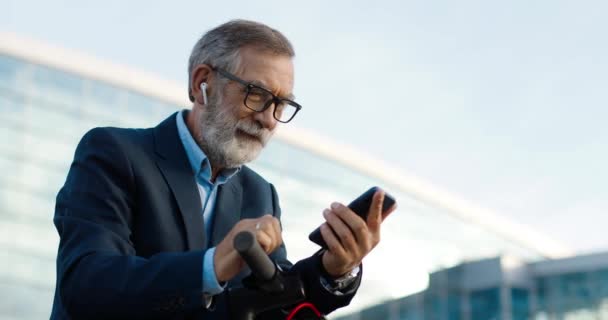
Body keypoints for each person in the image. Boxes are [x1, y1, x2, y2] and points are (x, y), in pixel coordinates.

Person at [51, 19, 396, 319]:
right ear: (203, 83)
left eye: (281, 104)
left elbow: (272, 302)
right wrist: (212, 265)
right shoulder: (114, 153)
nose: (268, 118)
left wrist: (334, 269)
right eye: (257, 94)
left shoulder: (260, 194)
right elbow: (86, 284)